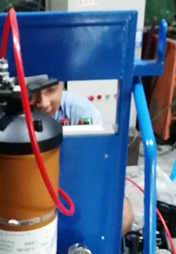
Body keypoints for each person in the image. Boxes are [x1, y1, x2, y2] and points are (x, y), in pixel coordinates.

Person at [30, 82, 134, 235]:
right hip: (30, 190)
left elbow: (100, 166)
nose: (43, 103)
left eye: (51, 90)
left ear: (61, 85)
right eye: (33, 91)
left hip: (74, 187)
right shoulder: (6, 116)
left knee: (123, 216)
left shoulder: (82, 111)